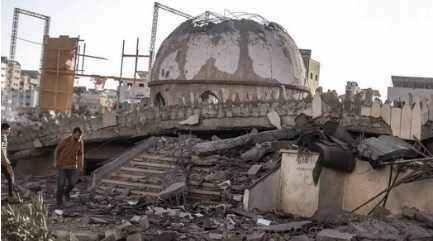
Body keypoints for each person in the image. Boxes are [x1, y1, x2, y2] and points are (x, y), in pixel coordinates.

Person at [54, 127, 84, 206]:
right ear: (73, 133)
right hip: (62, 165)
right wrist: (55, 161)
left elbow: (80, 154)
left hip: (73, 166)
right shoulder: (65, 141)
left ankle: (66, 193)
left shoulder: (79, 142)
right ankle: (59, 201)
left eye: (80, 136)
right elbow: (57, 150)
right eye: (77, 135)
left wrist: (81, 166)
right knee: (61, 184)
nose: (78, 137)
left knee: (73, 183)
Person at [1, 123, 16, 199]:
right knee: (11, 177)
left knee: (10, 177)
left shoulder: (4, 137)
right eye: (7, 131)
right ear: (3, 129)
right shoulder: (2, 137)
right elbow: (1, 150)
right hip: (2, 161)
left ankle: (11, 195)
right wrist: (6, 161)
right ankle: (11, 196)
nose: (8, 133)